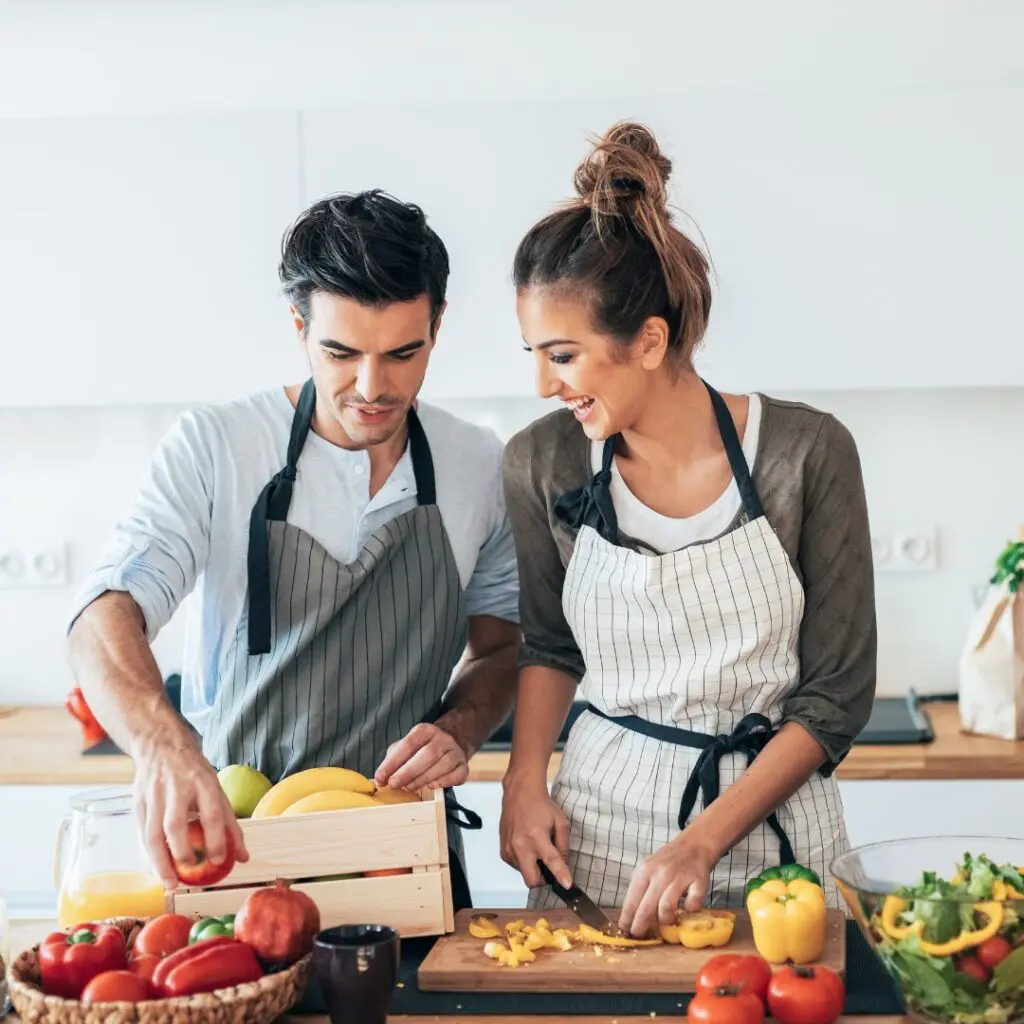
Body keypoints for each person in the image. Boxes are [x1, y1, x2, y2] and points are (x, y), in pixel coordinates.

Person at [67, 190, 521, 909]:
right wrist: (162, 743)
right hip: (237, 845)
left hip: (402, 853)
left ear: (437, 326)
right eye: (341, 353)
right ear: (299, 327)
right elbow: (103, 615)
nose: (373, 388)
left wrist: (460, 728)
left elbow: (501, 649)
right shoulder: (218, 447)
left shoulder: (477, 465)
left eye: (404, 353)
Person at [499, 122, 876, 938]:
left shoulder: (805, 453)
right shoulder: (542, 462)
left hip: (781, 846)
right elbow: (549, 647)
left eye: (562, 356)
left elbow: (835, 698)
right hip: (596, 841)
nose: (540, 384)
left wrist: (701, 842)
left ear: (649, 340)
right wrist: (523, 785)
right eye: (533, 352)